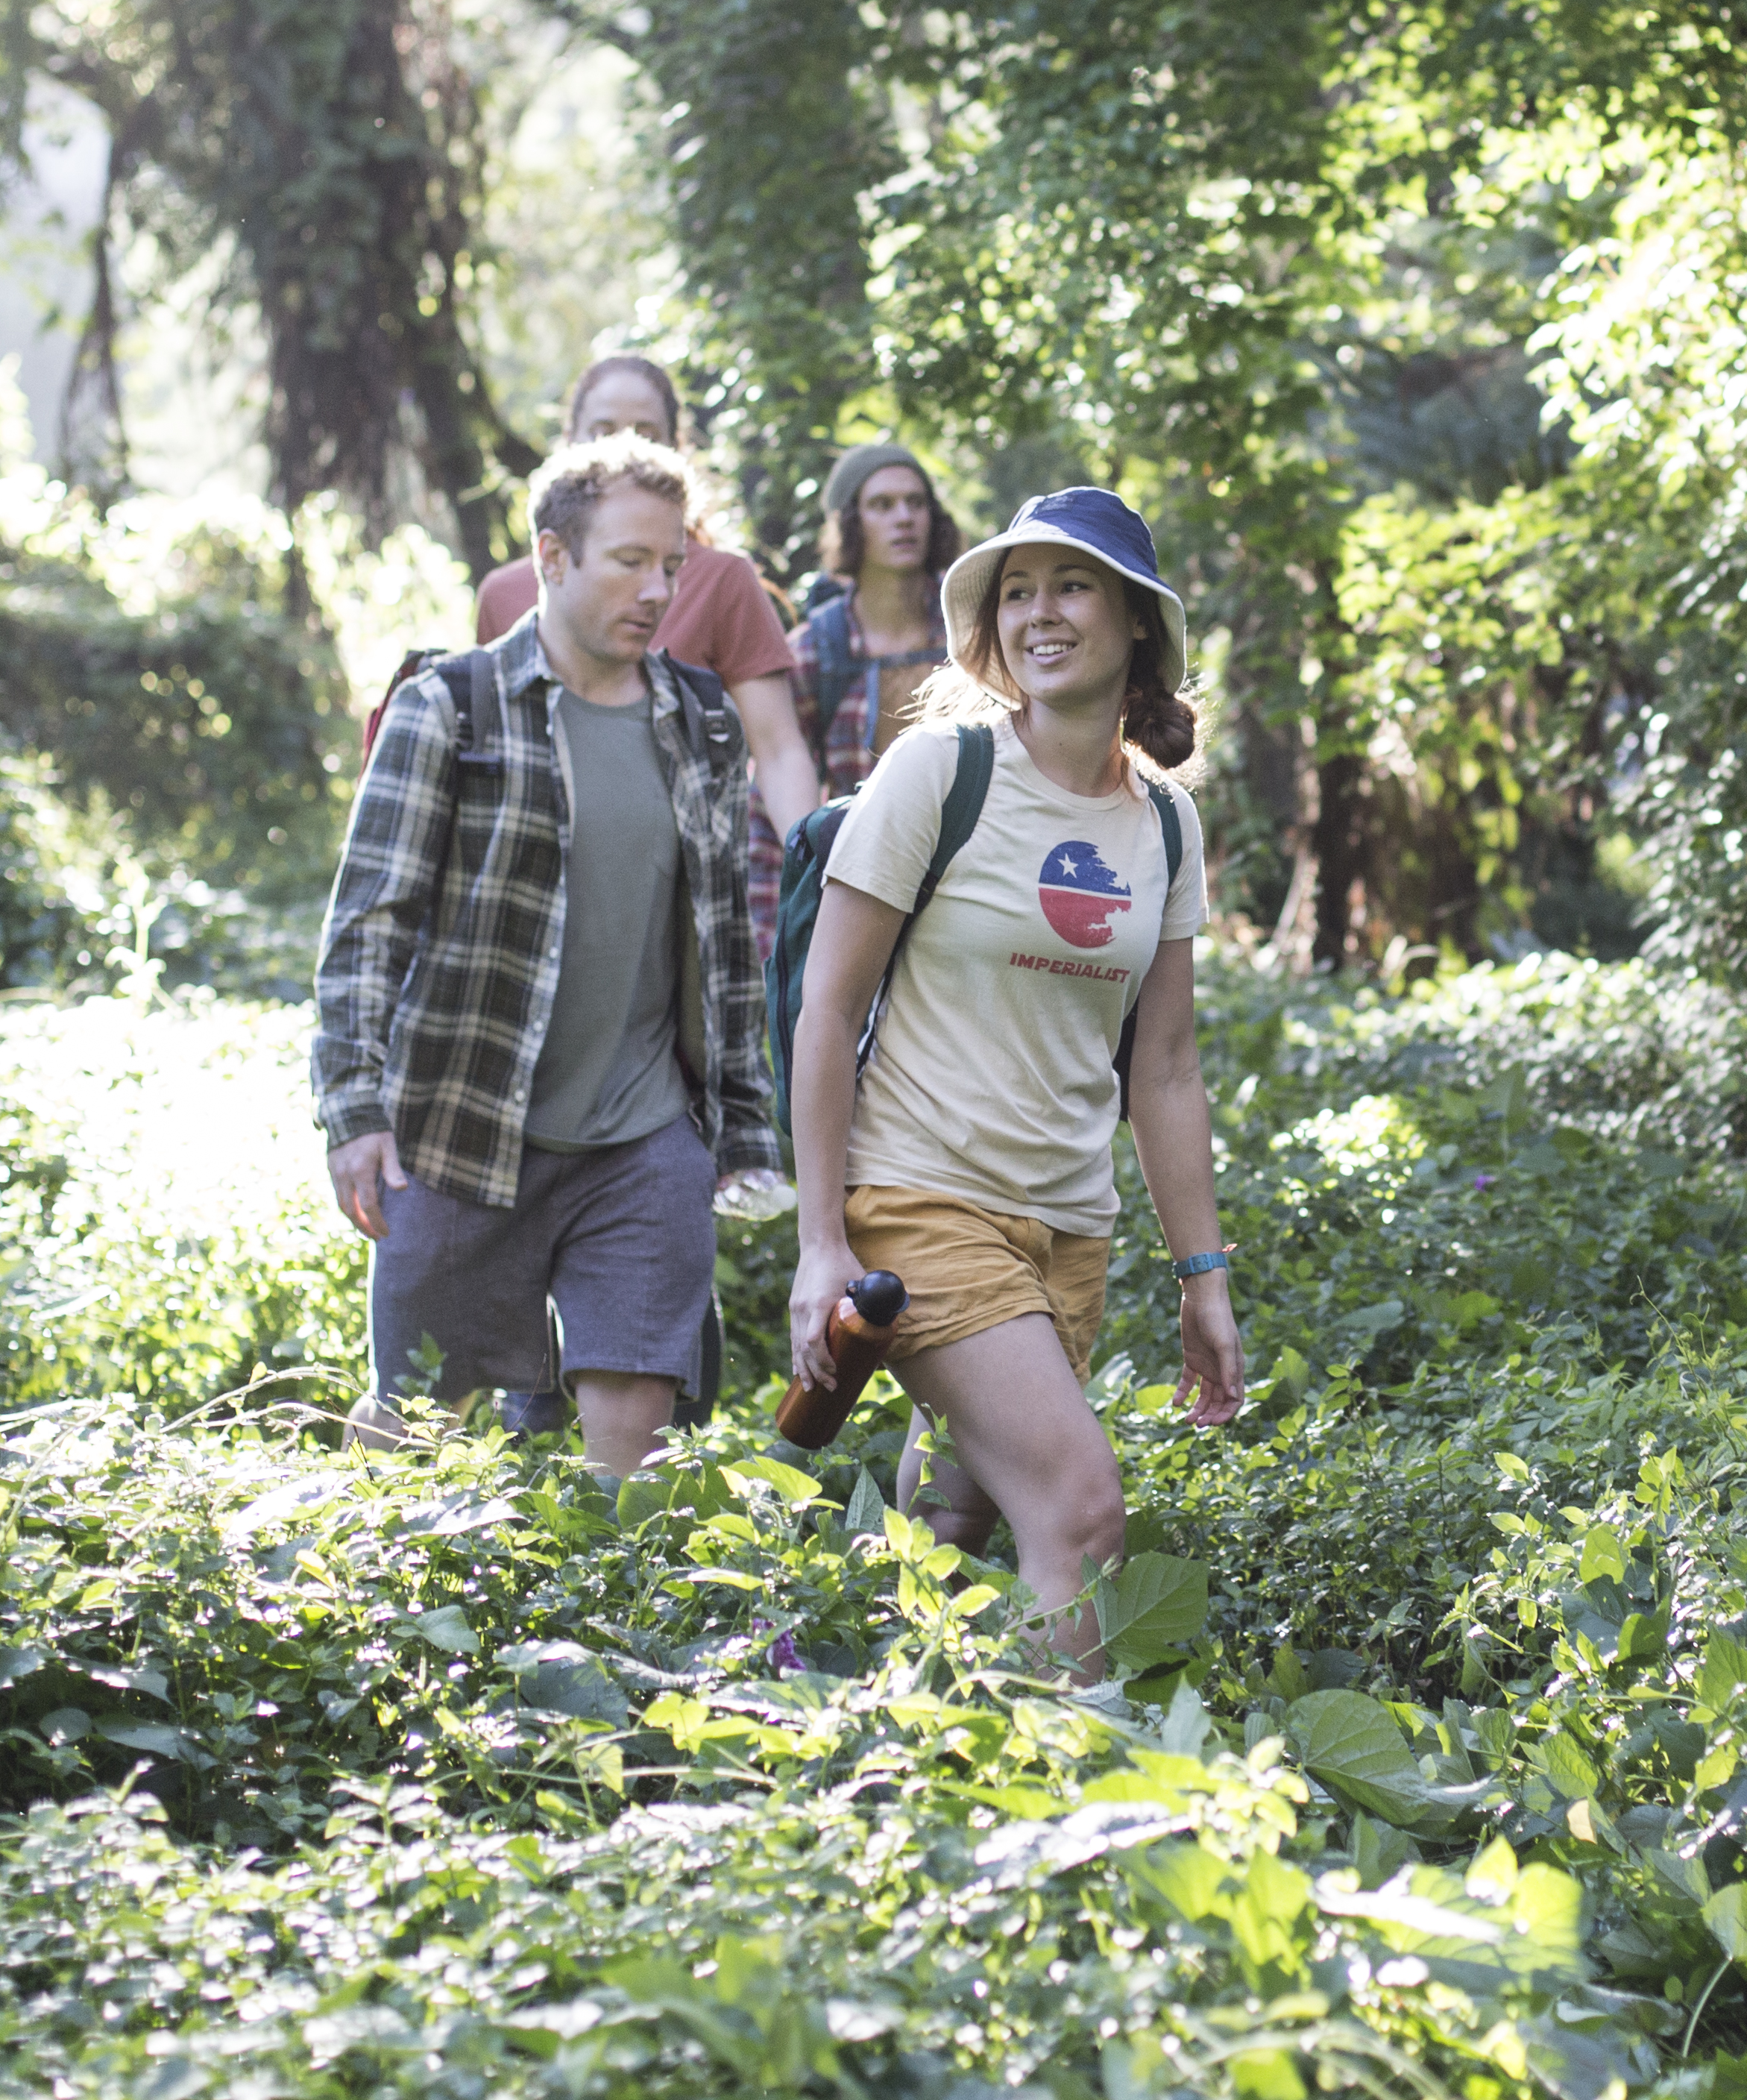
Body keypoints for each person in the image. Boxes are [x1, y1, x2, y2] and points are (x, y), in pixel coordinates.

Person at [782, 485, 1245, 1673]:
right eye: (1018, 591)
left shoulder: (1167, 828)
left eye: (1072, 585)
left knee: (959, 1510)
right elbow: (827, 1011)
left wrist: (1204, 1278)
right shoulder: (941, 772)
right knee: (1081, 1509)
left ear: (1138, 619)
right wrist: (821, 1241)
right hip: (921, 1198)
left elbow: (1168, 1067)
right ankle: (1067, 1820)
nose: (1041, 613)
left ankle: (856, 1712)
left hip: (1066, 1229)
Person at [314, 433, 780, 1476]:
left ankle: (620, 1632)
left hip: (642, 1143)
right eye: (630, 561)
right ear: (553, 558)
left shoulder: (700, 721)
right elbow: (368, 920)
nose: (658, 589)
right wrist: (353, 1111)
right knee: (412, 1425)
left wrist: (741, 1131)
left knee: (634, 1459)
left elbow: (723, 945)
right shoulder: (451, 708)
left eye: (673, 565)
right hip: (465, 1130)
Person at [476, 356, 825, 914]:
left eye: (647, 435)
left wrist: (813, 877)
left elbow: (779, 750)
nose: (624, 449)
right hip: (538, 887)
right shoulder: (505, 593)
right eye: (604, 431)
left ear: (677, 449)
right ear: (569, 443)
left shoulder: (723, 579)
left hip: (678, 886)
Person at [794, 441, 962, 799]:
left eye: (917, 503)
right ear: (850, 524)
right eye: (882, 505)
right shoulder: (815, 650)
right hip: (860, 849)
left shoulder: (971, 629)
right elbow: (778, 783)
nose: (904, 517)